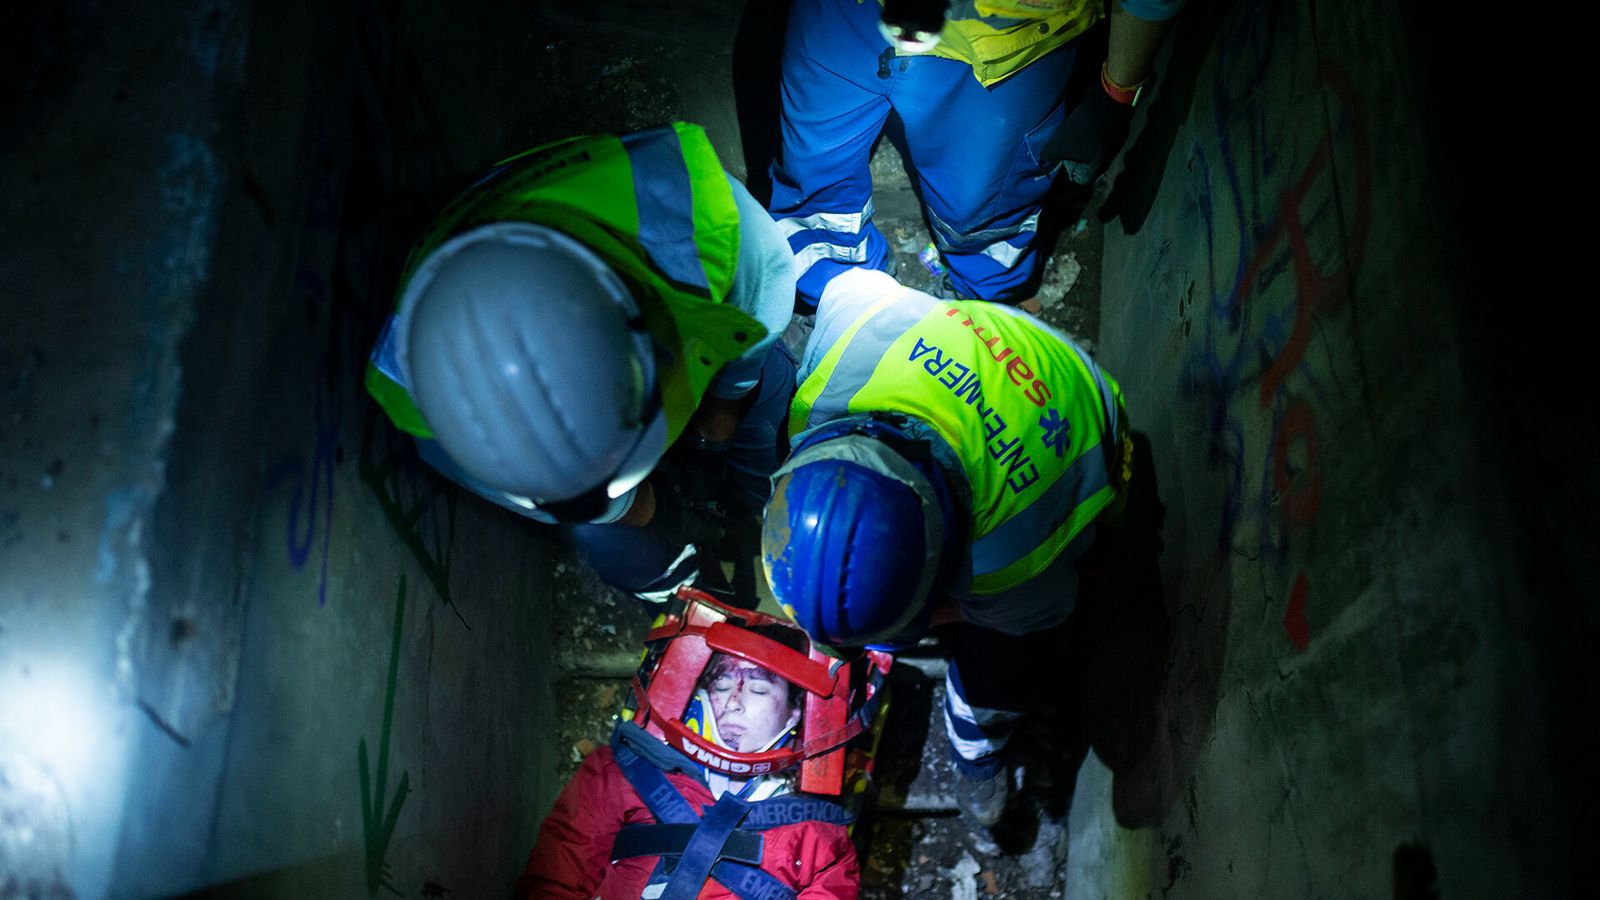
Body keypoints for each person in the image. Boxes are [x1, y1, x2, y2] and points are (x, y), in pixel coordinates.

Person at [761, 267, 1135, 826]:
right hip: (991, 348)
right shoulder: (846, 343)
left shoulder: (1008, 554)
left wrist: (932, 615)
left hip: (1083, 416)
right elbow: (850, 284)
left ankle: (980, 758)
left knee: (1002, 654)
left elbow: (1049, 608)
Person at [365, 123, 798, 602]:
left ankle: (767, 513)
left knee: (769, 386)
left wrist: (715, 433)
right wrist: (661, 514)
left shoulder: (705, 228)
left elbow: (753, 324)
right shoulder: (441, 424)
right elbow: (598, 507)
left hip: (695, 319)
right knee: (618, 546)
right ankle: (693, 591)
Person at [768, 0, 1186, 308]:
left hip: (1010, 48)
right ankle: (844, 300)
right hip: (846, 15)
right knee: (813, 177)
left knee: (982, 209)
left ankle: (975, 315)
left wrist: (1116, 93)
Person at [517, 591, 888, 898]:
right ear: (700, 697)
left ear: (795, 714)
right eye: (722, 685)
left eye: (758, 688)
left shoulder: (820, 834)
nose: (733, 700)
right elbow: (556, 877)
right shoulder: (622, 772)